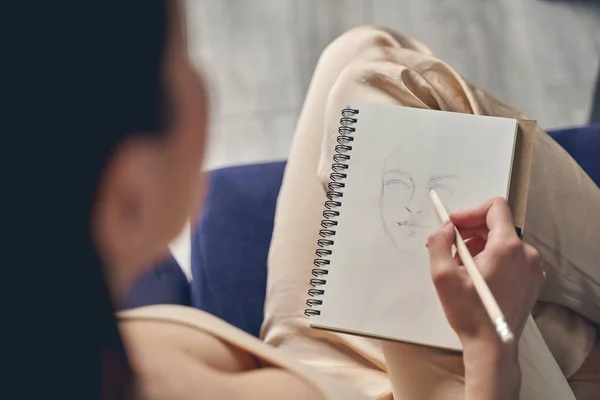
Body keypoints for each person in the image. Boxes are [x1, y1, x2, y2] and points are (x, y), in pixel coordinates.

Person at [9, 0, 598, 399]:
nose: (202, 83)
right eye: (181, 63)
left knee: (363, 66)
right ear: (128, 200)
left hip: (302, 369)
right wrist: (491, 352)